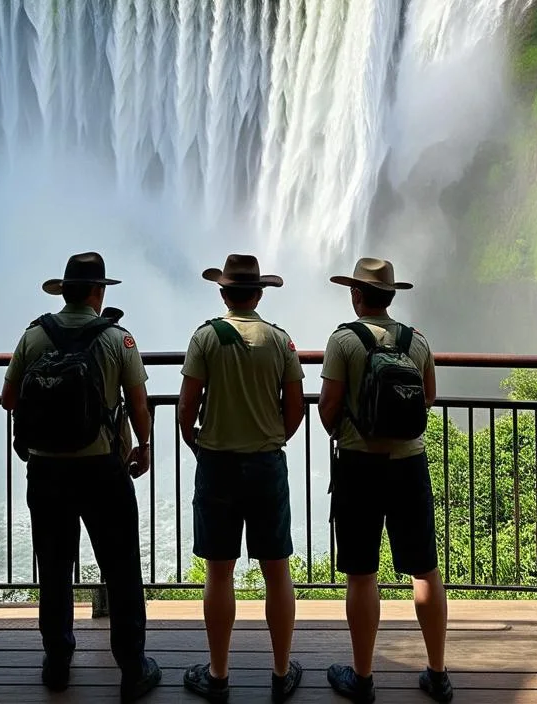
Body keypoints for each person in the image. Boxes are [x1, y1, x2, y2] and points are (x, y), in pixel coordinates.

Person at [0, 252, 160, 700]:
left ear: (64, 291)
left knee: (53, 568)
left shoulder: (34, 336)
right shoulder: (118, 340)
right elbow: (139, 404)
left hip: (47, 470)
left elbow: (8, 398)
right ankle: (132, 667)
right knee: (122, 567)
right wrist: (144, 447)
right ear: (97, 292)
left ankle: (57, 662)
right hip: (103, 469)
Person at [319, 258, 452, 704]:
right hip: (409, 465)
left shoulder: (343, 341)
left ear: (356, 295)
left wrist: (347, 428)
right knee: (425, 569)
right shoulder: (417, 341)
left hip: (359, 464)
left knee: (362, 574)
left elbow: (328, 407)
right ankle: (437, 672)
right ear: (391, 297)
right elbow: (428, 396)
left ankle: (363, 676)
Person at [178, 254, 306, 703]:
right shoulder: (281, 341)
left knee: (218, 572)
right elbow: (296, 409)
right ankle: (280, 671)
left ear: (222, 293)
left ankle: (218, 675)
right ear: (259, 294)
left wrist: (201, 444)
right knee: (277, 572)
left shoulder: (205, 338)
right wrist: (272, 437)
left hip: (217, 465)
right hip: (266, 465)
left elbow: (185, 410)